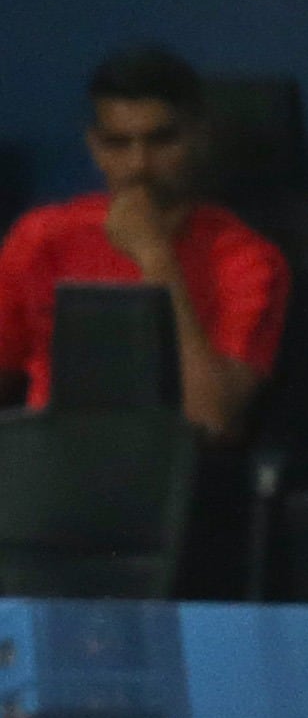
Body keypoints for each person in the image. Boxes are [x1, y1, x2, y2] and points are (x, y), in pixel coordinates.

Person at [0, 45, 286, 440]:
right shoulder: (41, 237)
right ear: (95, 147)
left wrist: (155, 257)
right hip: (50, 471)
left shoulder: (248, 261)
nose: (139, 165)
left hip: (170, 476)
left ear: (199, 137)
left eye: (162, 140)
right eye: (119, 144)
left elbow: (208, 419)